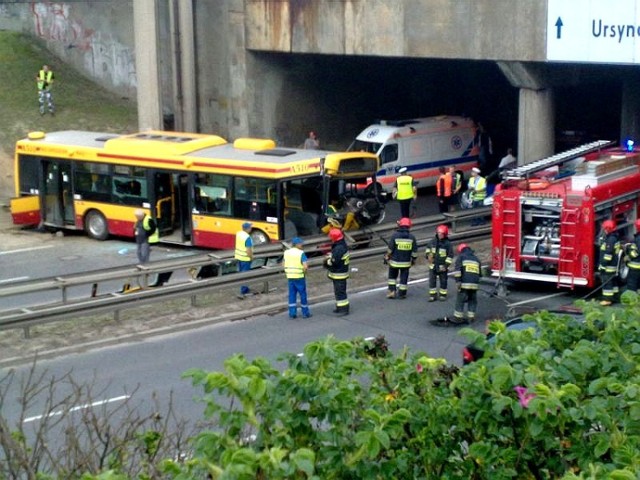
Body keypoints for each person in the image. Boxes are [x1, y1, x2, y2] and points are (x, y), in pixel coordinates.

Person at [384, 217, 418, 299]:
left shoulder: (395, 236)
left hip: (394, 262)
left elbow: (390, 249)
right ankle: (402, 294)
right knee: (404, 279)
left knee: (392, 277)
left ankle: (392, 291)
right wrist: (413, 260)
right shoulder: (412, 237)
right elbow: (414, 252)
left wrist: (386, 257)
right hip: (406, 263)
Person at [452, 243, 481, 324]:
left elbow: (458, 271)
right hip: (475, 284)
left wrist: (458, 281)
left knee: (460, 300)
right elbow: (480, 274)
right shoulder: (476, 259)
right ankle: (471, 317)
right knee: (472, 300)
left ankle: (458, 317)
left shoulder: (461, 258)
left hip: (464, 284)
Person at [284, 237, 311, 319]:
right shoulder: (300, 253)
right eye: (301, 243)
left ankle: (292, 313)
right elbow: (305, 266)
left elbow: (283, 264)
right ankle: (305, 313)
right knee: (302, 294)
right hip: (299, 277)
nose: (302, 245)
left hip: (290, 277)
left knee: (292, 295)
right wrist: (305, 272)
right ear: (297, 244)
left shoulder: (286, 252)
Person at [425, 224, 453, 302]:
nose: (440, 235)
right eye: (439, 233)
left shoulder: (447, 244)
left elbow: (450, 256)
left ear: (445, 234)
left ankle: (442, 295)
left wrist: (446, 265)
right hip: (433, 265)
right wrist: (428, 255)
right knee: (432, 281)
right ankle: (432, 295)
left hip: (442, 266)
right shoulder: (432, 242)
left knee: (443, 281)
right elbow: (427, 249)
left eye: (442, 233)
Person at [325, 228, 350, 316]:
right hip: (340, 272)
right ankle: (340, 307)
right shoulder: (341, 245)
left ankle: (344, 309)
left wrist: (328, 260)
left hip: (339, 274)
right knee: (338, 292)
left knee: (340, 292)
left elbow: (335, 261)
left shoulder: (339, 248)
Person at [598, 219, 621, 306]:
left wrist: (603, 265)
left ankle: (607, 299)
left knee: (607, 282)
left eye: (605, 229)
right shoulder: (614, 237)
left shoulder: (611, 240)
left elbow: (608, 254)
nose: (604, 230)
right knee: (613, 282)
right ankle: (614, 296)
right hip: (613, 265)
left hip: (608, 266)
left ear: (608, 229)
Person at [235, 222, 254, 299]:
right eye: (250, 227)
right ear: (247, 229)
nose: (251, 228)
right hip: (245, 258)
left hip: (239, 257)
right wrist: (251, 257)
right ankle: (244, 291)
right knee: (245, 275)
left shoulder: (239, 234)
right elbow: (248, 250)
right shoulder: (247, 238)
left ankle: (243, 288)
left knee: (241, 274)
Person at [624, 219, 640, 294]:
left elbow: (638, 251)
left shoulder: (639, 238)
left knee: (632, 284)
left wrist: (629, 256)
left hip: (636, 266)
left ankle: (632, 299)